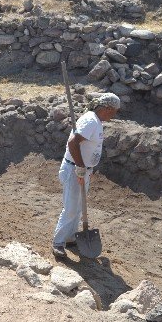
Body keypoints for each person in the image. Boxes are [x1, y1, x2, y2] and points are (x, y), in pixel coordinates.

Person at [51, 93, 120, 259]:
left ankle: (70, 237)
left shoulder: (96, 120)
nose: (115, 115)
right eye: (114, 111)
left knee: (78, 206)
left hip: (83, 170)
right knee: (71, 208)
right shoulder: (90, 121)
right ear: (106, 108)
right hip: (75, 169)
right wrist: (81, 167)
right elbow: (73, 143)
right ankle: (58, 242)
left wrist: (87, 168)